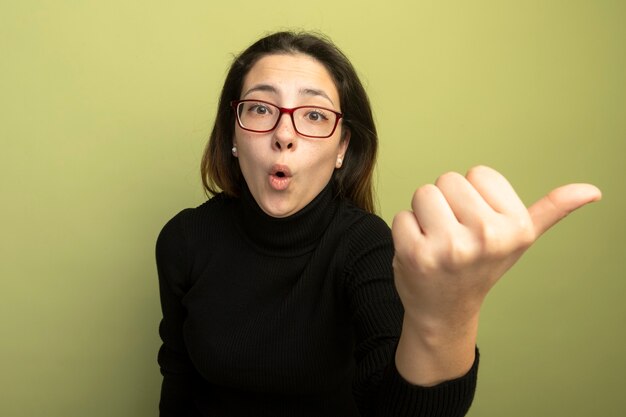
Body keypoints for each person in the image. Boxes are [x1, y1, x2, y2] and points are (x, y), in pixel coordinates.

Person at [155, 31, 601, 417]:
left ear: (342, 148)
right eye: (260, 108)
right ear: (232, 134)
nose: (284, 134)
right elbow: (178, 377)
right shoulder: (185, 239)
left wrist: (443, 320)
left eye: (314, 115)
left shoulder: (364, 246)